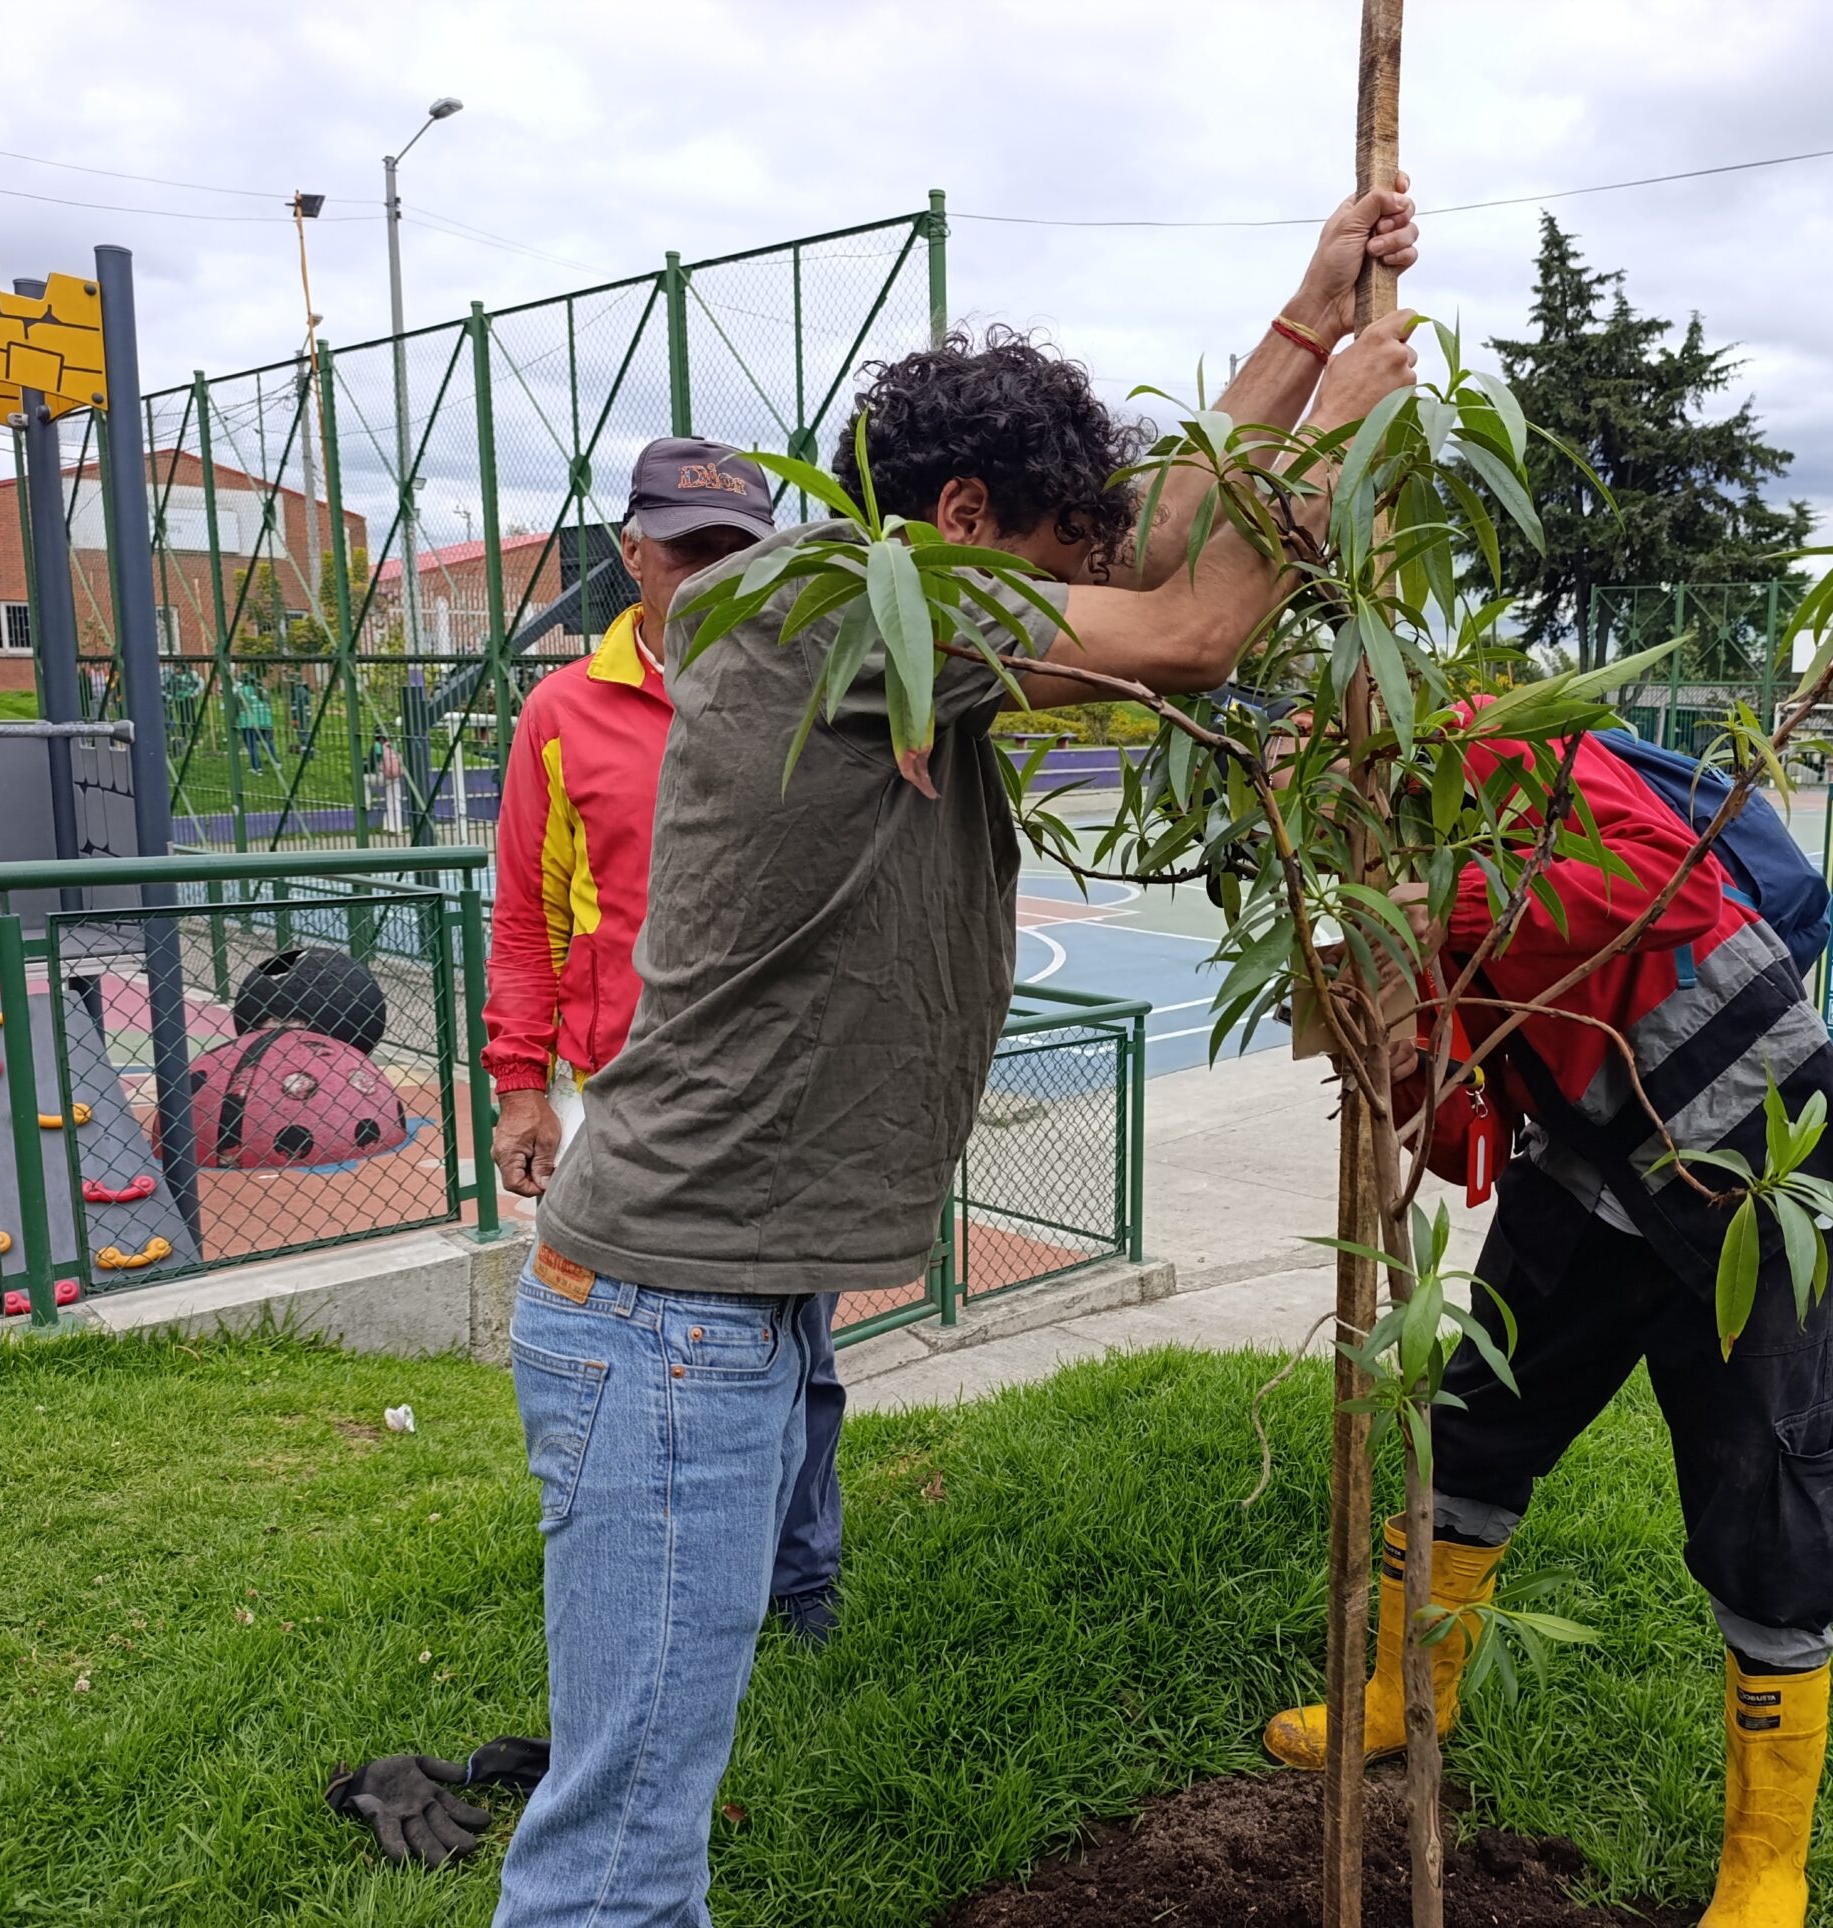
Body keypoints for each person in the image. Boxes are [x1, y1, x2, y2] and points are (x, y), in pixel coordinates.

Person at [493, 182, 1421, 1928]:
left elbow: (1151, 543)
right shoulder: (829, 604)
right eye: (1055, 559)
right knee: (613, 1856)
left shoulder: (900, 608)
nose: (1085, 589)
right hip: (665, 1312)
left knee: (643, 1818)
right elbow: (1193, 623)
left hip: (713, 1304)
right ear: (969, 514)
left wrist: (1308, 313)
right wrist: (1331, 460)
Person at [1261, 722, 1833, 1928]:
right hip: (1589, 1168)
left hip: (1748, 1160)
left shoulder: (1509, 750)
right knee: (1473, 1421)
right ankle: (1413, 1694)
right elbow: (1462, 1121)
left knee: (1774, 1493)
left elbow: (1667, 887)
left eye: (1318, 743)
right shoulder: (1364, 867)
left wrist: (1444, 899)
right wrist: (1390, 1054)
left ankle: (1766, 1860)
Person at [481, 437, 853, 1647]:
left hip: (784, 1094)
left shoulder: (811, 682)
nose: (707, 573)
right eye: (686, 546)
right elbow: (527, 919)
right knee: (634, 1359)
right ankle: (653, 1578)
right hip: (622, 1098)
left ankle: (798, 1582)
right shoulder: (563, 712)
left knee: (802, 1350)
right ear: (629, 548)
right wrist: (521, 1088)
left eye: (736, 551)